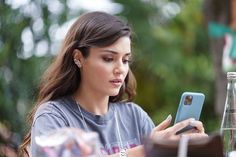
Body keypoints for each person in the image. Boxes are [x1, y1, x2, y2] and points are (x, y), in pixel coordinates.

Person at [19, 11, 207, 157]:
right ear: (78, 58)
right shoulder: (53, 116)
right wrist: (143, 151)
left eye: (125, 60)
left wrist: (185, 149)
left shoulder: (135, 116)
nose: (120, 69)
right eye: (109, 58)